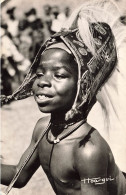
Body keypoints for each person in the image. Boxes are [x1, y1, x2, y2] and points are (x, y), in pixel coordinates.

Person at [1, 0, 126, 194]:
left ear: (83, 85)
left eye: (59, 75)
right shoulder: (44, 128)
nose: (43, 82)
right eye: (40, 73)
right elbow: (19, 175)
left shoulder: (88, 150)